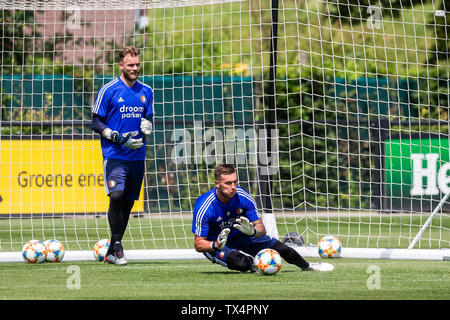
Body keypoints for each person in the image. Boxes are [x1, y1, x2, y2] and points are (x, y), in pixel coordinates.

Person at [192, 164, 333, 272]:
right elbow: (199, 244)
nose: (233, 187)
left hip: (243, 237)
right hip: (216, 245)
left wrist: (252, 232)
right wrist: (214, 245)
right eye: (228, 183)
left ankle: (309, 266)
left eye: (235, 182)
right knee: (242, 263)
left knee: (283, 249)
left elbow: (261, 229)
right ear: (217, 183)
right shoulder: (205, 205)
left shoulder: (244, 197)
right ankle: (254, 262)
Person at [91, 46, 154, 265]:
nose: (135, 68)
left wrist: (148, 126)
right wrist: (115, 136)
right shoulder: (108, 90)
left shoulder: (147, 90)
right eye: (131, 65)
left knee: (127, 203)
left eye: (137, 64)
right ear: (121, 65)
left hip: (137, 156)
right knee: (116, 196)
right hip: (115, 153)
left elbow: (149, 119)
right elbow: (95, 122)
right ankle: (117, 247)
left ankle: (113, 248)